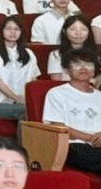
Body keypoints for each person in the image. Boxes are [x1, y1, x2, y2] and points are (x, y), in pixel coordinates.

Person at [42, 48, 101, 176]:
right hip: (74, 146)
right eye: (77, 64)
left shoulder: (99, 96)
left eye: (88, 64)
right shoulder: (56, 93)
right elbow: (59, 127)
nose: (83, 68)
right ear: (67, 69)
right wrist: (90, 138)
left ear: (94, 70)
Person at [0, 16, 40, 120]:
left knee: (37, 109)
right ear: (2, 31)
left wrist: (31, 100)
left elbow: (33, 80)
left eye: (16, 29)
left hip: (23, 101)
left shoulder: (29, 54)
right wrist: (18, 99)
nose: (13, 32)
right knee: (28, 110)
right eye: (8, 28)